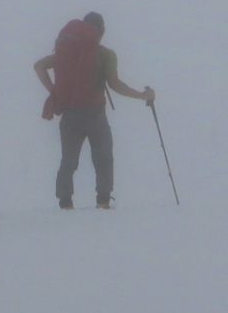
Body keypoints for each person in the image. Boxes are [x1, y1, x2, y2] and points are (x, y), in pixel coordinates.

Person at [35, 11, 153, 210]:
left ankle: (65, 203)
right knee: (103, 157)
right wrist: (142, 95)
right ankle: (103, 201)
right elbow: (115, 84)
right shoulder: (106, 54)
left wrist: (54, 92)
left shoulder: (66, 53)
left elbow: (38, 66)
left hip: (70, 114)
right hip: (95, 114)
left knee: (69, 161)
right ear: (102, 30)